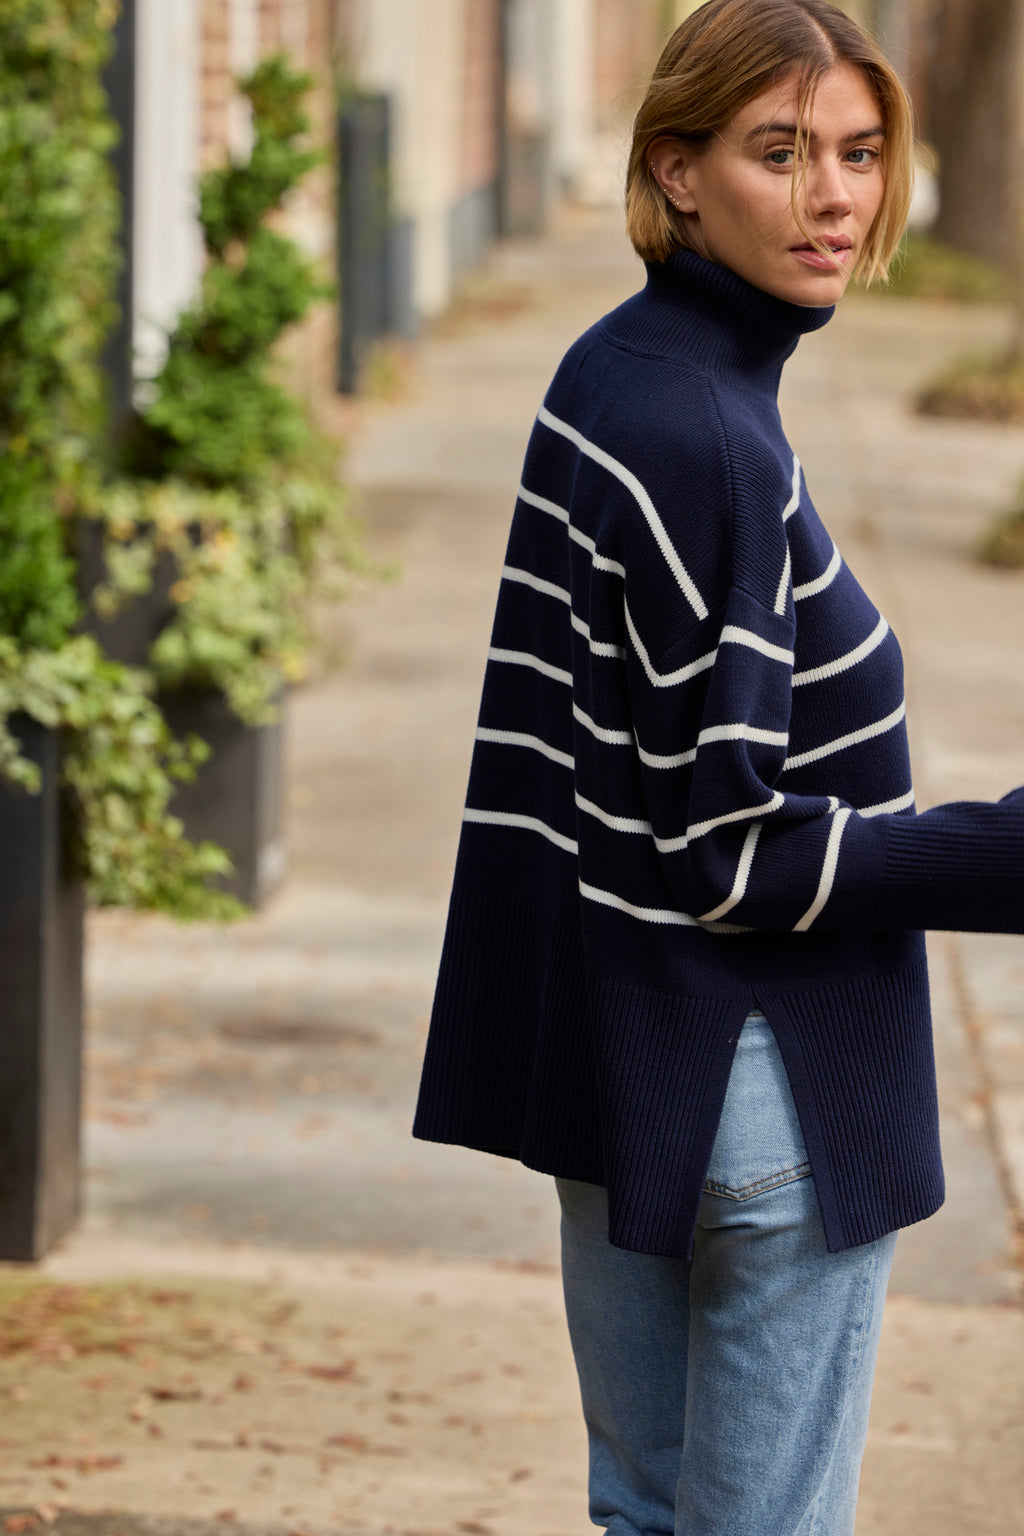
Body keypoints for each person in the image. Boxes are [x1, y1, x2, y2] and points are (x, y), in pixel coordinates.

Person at [414, 1, 1024, 1531]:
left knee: (647, 1514)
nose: (835, 197)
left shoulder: (610, 378)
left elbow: (566, 773)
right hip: (770, 1095)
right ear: (677, 173)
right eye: (780, 152)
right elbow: (736, 849)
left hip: (628, 1069)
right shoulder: (718, 448)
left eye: (858, 153)